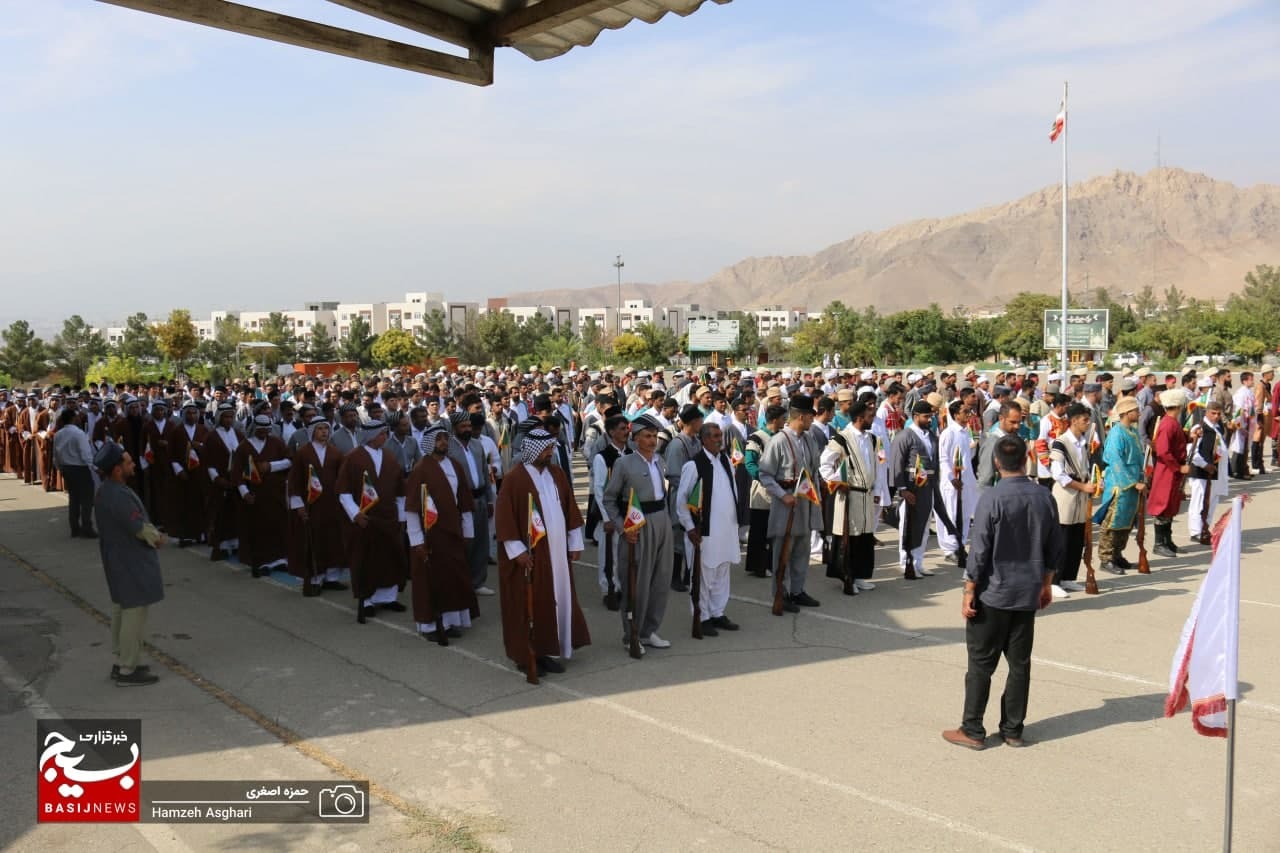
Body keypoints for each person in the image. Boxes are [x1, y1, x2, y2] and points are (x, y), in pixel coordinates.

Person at [942, 435, 1063, 750]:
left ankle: (973, 729)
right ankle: (1012, 729)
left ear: (997, 463)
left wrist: (969, 588)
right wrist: (1047, 583)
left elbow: (979, 549)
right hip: (1027, 592)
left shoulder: (993, 498)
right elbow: (1055, 547)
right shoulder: (1044, 497)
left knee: (981, 664)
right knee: (1019, 664)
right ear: (1026, 459)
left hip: (994, 592)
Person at [495, 428, 590, 676]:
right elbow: (504, 520)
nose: (550, 453)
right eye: (546, 449)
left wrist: (575, 543)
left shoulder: (556, 474)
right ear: (532, 450)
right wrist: (517, 552)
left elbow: (569, 510)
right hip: (530, 555)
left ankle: (547, 651)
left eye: (551, 449)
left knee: (554, 599)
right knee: (528, 603)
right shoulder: (514, 479)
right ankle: (525, 654)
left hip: (557, 554)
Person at [92, 441, 165, 687]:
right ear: (116, 469)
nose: (133, 464)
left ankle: (122, 659)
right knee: (133, 614)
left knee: (121, 611)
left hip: (118, 561)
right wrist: (157, 538)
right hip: (130, 562)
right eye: (128, 462)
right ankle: (127, 670)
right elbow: (138, 527)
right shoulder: (118, 495)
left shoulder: (106, 490)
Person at [603, 415, 674, 650]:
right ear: (635, 439)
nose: (652, 440)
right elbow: (609, 498)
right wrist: (623, 529)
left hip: (662, 520)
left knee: (661, 579)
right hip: (638, 525)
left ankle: (649, 630)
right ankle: (631, 634)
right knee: (637, 582)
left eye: (654, 436)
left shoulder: (660, 461)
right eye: (647, 436)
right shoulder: (625, 464)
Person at [405, 424, 480, 642]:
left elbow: (464, 501)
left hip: (453, 531)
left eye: (445, 439)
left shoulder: (455, 465)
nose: (443, 443)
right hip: (430, 534)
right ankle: (430, 625)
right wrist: (417, 539)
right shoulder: (421, 468)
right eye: (438, 439)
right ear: (430, 443)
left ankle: (450, 621)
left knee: (452, 576)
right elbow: (411, 508)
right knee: (430, 579)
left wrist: (467, 530)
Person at [675, 422, 743, 636]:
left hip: (727, 528)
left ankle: (717, 612)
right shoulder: (693, 466)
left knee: (722, 571)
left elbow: (732, 491)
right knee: (703, 575)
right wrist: (689, 527)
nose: (718, 439)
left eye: (720, 435)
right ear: (703, 439)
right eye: (714, 436)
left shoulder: (725, 461)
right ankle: (701, 616)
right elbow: (682, 501)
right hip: (704, 530)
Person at [336, 419, 408, 618]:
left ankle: (389, 598)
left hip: (388, 519)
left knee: (391, 558)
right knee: (365, 560)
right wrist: (356, 514)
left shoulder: (390, 457)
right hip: (365, 520)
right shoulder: (353, 458)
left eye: (385, 433)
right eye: (381, 434)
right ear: (371, 436)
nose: (385, 437)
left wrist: (401, 517)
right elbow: (344, 492)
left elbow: (401, 491)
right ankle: (367, 600)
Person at [758, 395, 824, 610]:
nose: (813, 421)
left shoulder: (808, 438)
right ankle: (781, 592)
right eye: (810, 417)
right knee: (783, 550)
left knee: (802, 549)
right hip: (785, 502)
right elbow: (765, 474)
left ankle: (797, 590)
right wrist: (782, 494)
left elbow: (814, 470)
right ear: (802, 417)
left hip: (805, 501)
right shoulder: (778, 441)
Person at [819, 400, 883, 595]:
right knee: (849, 538)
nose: (872, 420)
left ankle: (861, 575)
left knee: (865, 537)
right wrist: (837, 482)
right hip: (850, 495)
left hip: (866, 495)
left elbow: (876, 466)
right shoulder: (841, 439)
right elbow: (824, 465)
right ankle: (848, 576)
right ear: (859, 418)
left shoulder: (871, 439)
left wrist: (877, 491)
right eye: (870, 416)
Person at [287, 418, 348, 595]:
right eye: (319, 429)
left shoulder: (336, 453)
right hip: (312, 505)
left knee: (333, 540)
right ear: (312, 431)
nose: (323, 432)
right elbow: (295, 481)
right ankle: (315, 579)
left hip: (332, 505)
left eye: (326, 429)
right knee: (315, 541)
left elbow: (342, 479)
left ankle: (332, 578)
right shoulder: (303, 453)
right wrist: (299, 505)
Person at [231, 414, 292, 577]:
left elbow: (289, 461)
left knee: (278, 526)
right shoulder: (244, 447)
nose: (264, 431)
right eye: (260, 428)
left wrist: (270, 466)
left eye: (267, 428)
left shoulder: (277, 443)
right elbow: (237, 473)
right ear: (254, 428)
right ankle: (260, 562)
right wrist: (245, 493)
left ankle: (280, 560)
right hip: (255, 496)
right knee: (258, 530)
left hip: (275, 494)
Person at [889, 401, 942, 580]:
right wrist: (902, 489)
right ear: (916, 416)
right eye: (926, 417)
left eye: (931, 416)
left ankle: (918, 562)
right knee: (908, 526)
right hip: (911, 488)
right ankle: (907, 563)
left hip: (928, 487)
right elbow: (896, 463)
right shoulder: (904, 436)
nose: (929, 420)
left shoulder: (931, 436)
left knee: (924, 525)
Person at [1093, 397, 1145, 574]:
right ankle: (1106, 558)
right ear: (1126, 413)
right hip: (1119, 485)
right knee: (1112, 522)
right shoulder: (1116, 433)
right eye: (1136, 410)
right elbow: (1115, 461)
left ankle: (1117, 554)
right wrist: (1131, 482)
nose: (1138, 413)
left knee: (1126, 523)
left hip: (1135, 483)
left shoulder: (1133, 432)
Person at [1049, 403, 1096, 596]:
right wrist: (1082, 486)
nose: (1087, 423)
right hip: (1066, 496)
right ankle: (1053, 581)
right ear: (1074, 420)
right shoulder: (1061, 442)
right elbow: (1057, 474)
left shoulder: (1083, 442)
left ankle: (1068, 577)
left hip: (1081, 496)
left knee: (1077, 538)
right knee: (1061, 539)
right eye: (1085, 419)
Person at [447, 410, 495, 596]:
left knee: (481, 542)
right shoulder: (449, 447)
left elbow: (485, 472)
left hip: (481, 498)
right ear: (455, 428)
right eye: (463, 427)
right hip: (461, 502)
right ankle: (461, 581)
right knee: (465, 543)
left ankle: (478, 581)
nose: (467, 429)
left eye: (469, 426)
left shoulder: (477, 445)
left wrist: (490, 500)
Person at [590, 414, 631, 607]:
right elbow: (599, 488)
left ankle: (622, 587)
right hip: (610, 513)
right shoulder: (603, 457)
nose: (626, 432)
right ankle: (609, 590)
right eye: (622, 429)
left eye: (626, 429)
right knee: (609, 554)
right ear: (612, 432)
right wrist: (607, 518)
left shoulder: (630, 453)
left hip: (627, 511)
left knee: (624, 554)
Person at [744, 405, 784, 578]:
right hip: (762, 490)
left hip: (778, 489)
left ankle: (771, 562)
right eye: (783, 418)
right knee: (760, 529)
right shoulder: (756, 438)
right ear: (774, 420)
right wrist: (766, 479)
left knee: (774, 528)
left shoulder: (781, 437)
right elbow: (750, 463)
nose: (785, 421)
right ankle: (758, 565)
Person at [1148, 389, 1189, 558]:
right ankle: (1159, 543)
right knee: (1163, 506)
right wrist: (1178, 468)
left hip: (1171, 471)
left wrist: (1190, 437)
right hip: (1168, 471)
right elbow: (1164, 452)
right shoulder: (1168, 424)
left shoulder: (1171, 423)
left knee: (1171, 506)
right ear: (1178, 406)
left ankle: (1167, 540)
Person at [937, 399, 977, 565]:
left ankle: (960, 544)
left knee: (965, 514)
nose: (968, 415)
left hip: (966, 480)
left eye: (968, 412)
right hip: (952, 482)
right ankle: (949, 548)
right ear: (955, 414)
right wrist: (952, 478)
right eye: (964, 412)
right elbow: (943, 458)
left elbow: (968, 457)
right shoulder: (949, 433)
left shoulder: (965, 431)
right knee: (951, 514)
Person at [202, 403, 242, 561]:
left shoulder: (238, 434)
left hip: (236, 481)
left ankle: (236, 543)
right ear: (219, 418)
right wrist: (218, 479)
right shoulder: (211, 437)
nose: (229, 420)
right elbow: (208, 462)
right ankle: (222, 545)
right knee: (220, 514)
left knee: (235, 513)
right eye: (226, 416)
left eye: (231, 417)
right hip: (220, 482)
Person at [1187, 401, 1229, 545]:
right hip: (1201, 472)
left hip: (1214, 473)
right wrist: (1205, 465)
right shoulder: (1200, 428)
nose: (1216, 416)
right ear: (1207, 412)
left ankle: (1205, 528)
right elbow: (1191, 452)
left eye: (1219, 413)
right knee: (1198, 502)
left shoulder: (1217, 427)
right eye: (1213, 413)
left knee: (1211, 502)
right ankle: (1196, 531)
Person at [51, 408, 96, 538]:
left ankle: (75, 528)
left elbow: (56, 455)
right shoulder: (79, 433)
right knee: (86, 499)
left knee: (74, 499)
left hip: (67, 468)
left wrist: (60, 467)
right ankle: (87, 527)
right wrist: (94, 467)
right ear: (73, 419)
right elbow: (85, 453)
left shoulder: (58, 434)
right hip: (80, 469)